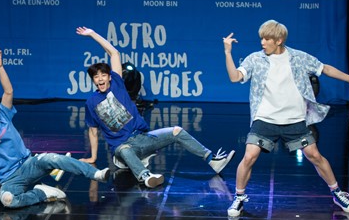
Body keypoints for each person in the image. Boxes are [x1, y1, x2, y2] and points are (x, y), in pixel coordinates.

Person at [223, 20, 349, 217]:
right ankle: (239, 198)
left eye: (267, 39)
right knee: (249, 156)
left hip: (295, 120)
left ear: (279, 40)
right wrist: (228, 52)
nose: (262, 42)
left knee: (315, 156)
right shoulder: (255, 59)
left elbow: (324, 68)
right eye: (261, 38)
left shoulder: (298, 57)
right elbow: (235, 77)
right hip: (265, 119)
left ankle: (337, 193)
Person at [76, 26, 235, 189]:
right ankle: (145, 176)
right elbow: (93, 132)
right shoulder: (91, 102)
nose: (100, 79)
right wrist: (93, 157)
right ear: (93, 80)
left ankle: (212, 160)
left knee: (177, 131)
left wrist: (93, 34)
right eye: (96, 77)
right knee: (124, 149)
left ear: (110, 77)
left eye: (103, 75)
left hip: (142, 138)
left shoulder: (117, 83)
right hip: (122, 148)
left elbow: (114, 53)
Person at [0, 45, 110, 208]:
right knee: (8, 201)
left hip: (29, 164)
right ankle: (43, 193)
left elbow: (8, 92)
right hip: (9, 180)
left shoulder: (3, 115)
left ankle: (96, 174)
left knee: (52, 158)